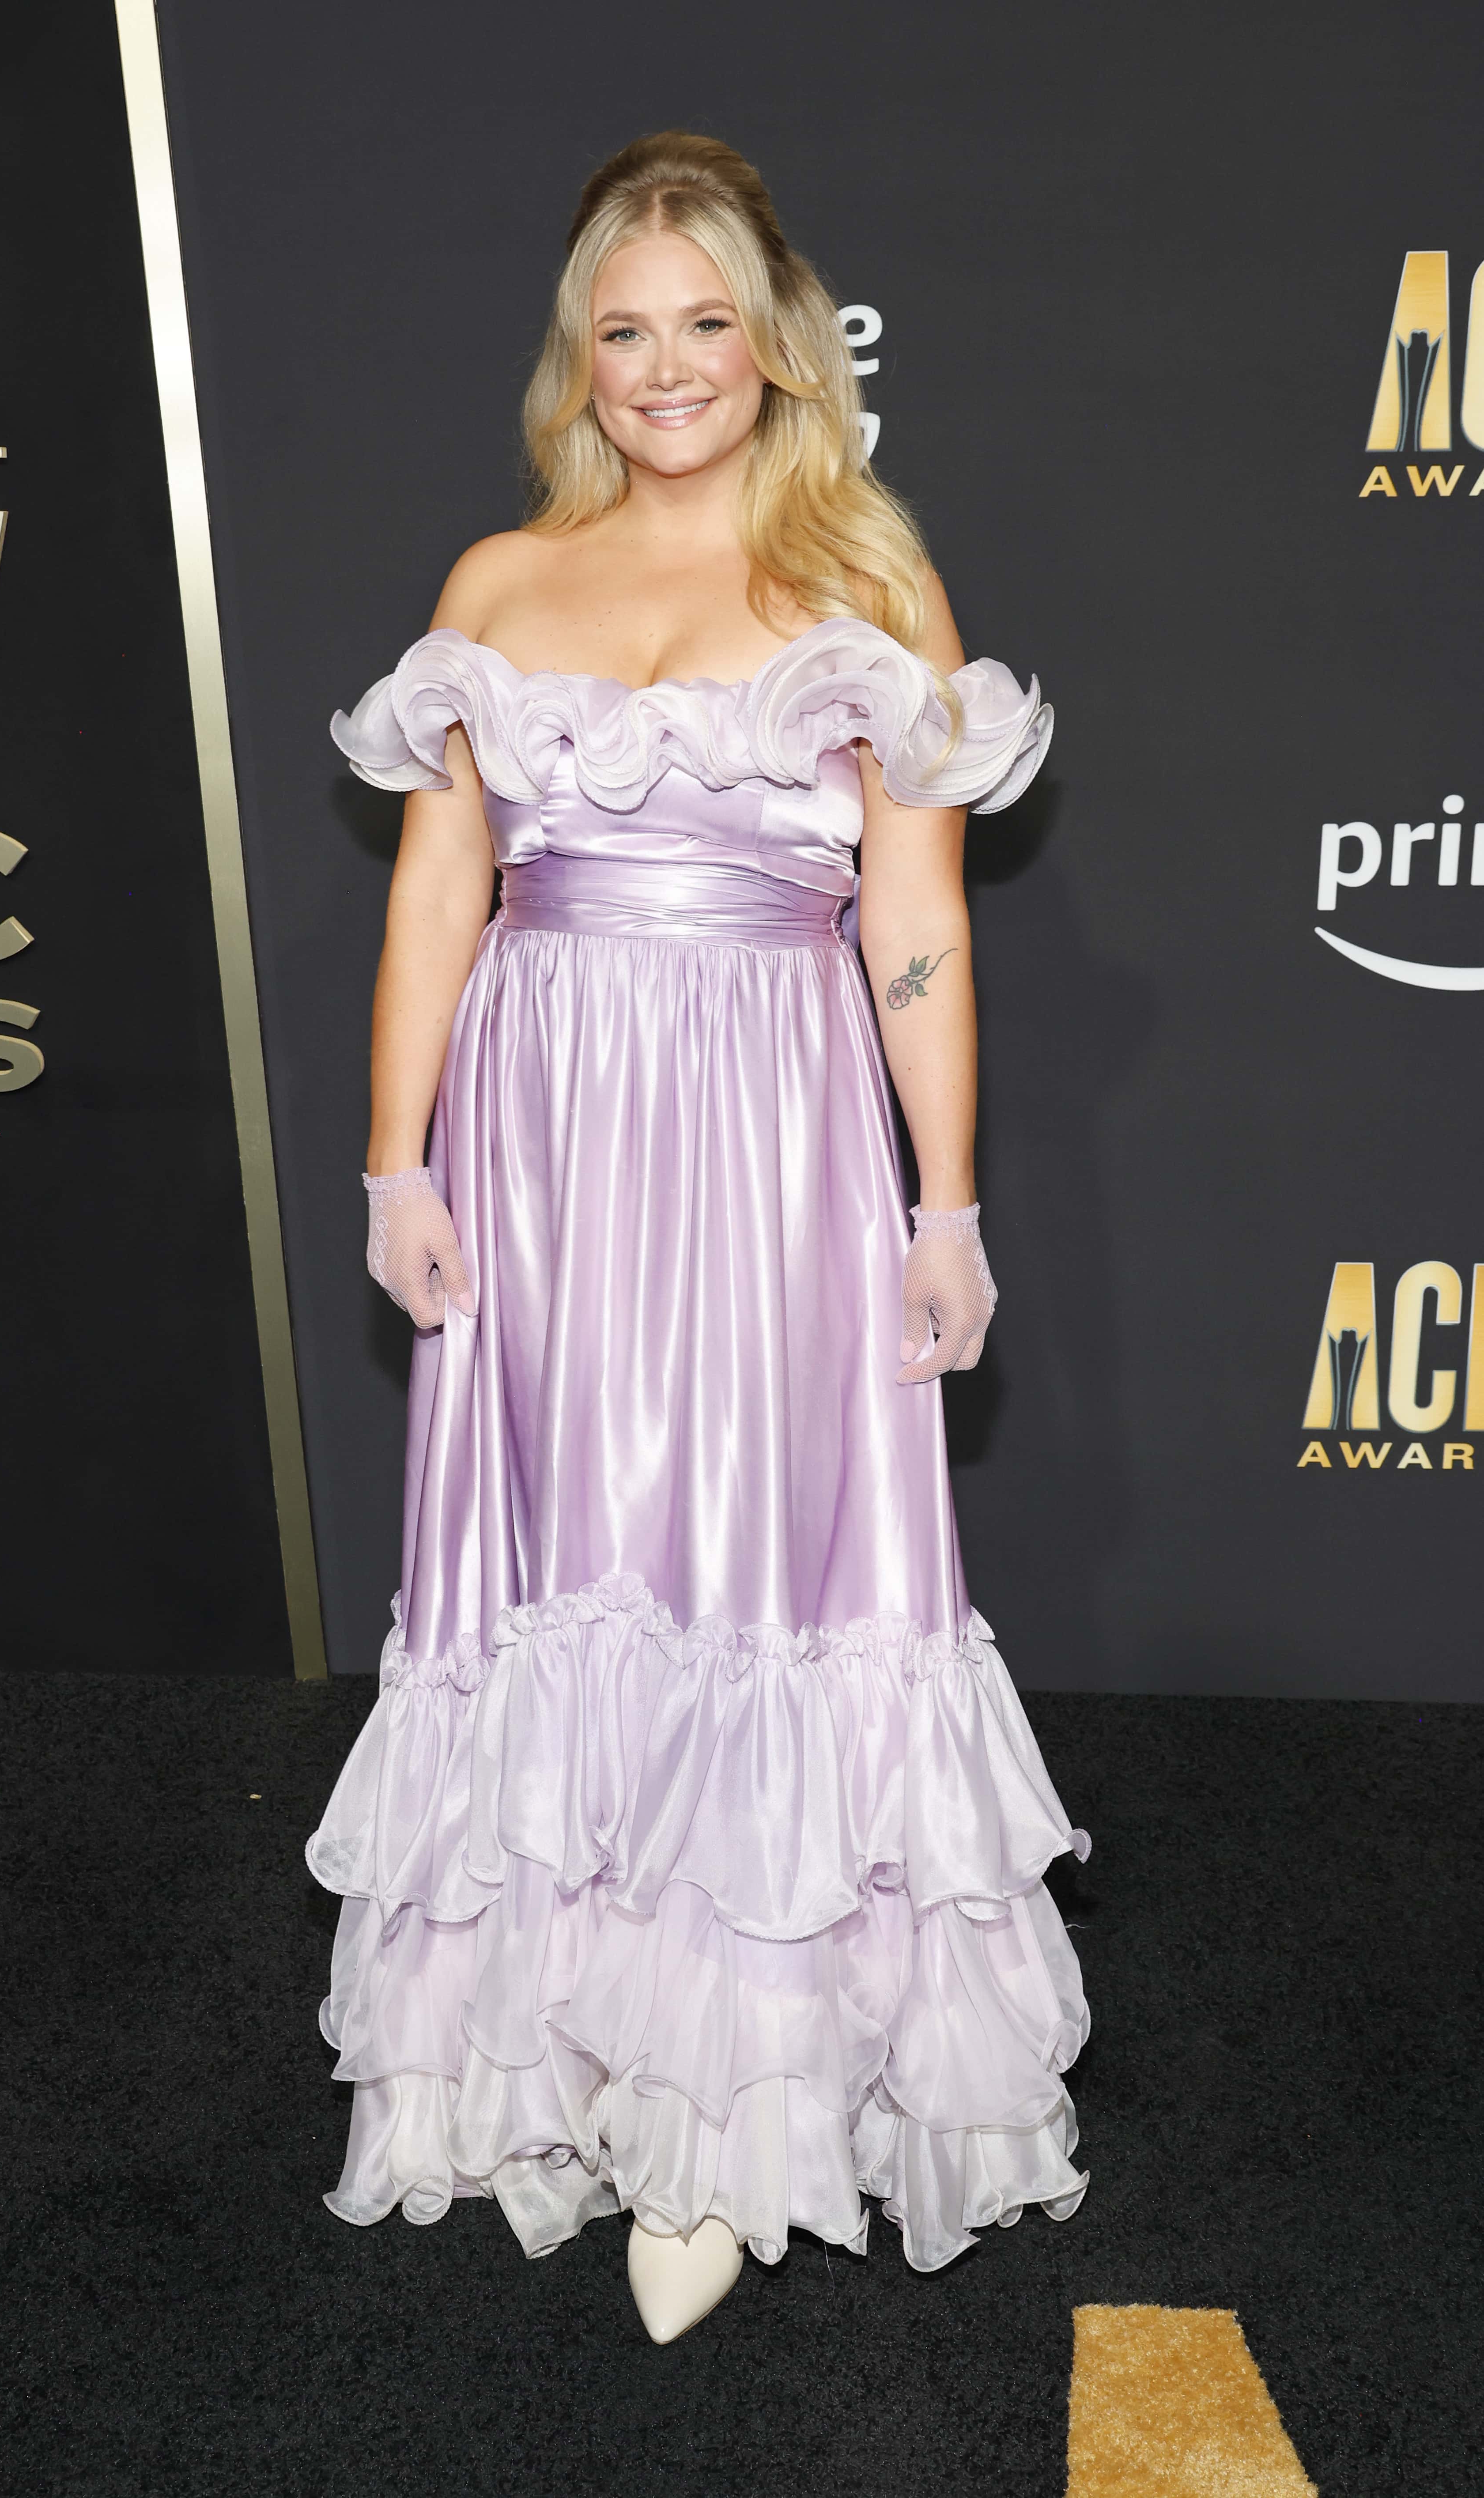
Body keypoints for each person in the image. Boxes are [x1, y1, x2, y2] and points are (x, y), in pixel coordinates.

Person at [308, 129, 1089, 2344]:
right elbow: (438, 890)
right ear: (586, 357)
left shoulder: (868, 587)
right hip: (543, 1132)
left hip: (769, 1137)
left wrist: (944, 1205)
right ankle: (550, 2046)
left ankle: (732, 2116)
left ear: (778, 343)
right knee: (560, 1569)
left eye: (704, 323)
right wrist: (396, 1157)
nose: (662, 368)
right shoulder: (495, 581)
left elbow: (917, 923)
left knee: (756, 1570)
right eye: (621, 330)